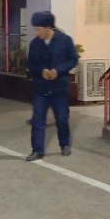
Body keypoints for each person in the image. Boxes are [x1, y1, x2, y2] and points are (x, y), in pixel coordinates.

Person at [25, 10, 79, 161]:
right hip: (40, 88)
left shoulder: (65, 40)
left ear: (48, 27)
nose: (36, 32)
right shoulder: (35, 44)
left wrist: (58, 71)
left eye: (38, 29)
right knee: (38, 120)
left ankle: (64, 144)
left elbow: (73, 59)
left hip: (59, 88)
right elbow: (30, 63)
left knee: (61, 118)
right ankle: (37, 150)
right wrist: (41, 71)